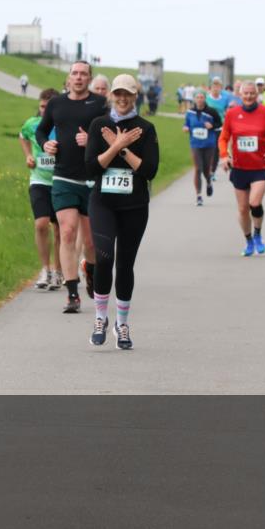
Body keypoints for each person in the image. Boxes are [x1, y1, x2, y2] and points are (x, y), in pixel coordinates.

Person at [84, 74, 159, 350]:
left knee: (125, 264)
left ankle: (122, 323)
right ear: (111, 96)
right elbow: (91, 167)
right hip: (103, 202)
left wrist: (124, 150)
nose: (123, 98)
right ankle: (101, 317)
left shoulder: (146, 128)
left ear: (135, 96)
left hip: (135, 206)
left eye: (128, 93)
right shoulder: (99, 125)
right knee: (104, 259)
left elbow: (150, 170)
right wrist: (115, 144)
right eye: (118, 94)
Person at [36, 60, 110, 313]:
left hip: (92, 180)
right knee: (67, 232)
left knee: (90, 243)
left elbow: (113, 137)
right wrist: (46, 144)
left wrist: (93, 140)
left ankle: (90, 268)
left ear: (89, 79)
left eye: (83, 74)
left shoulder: (101, 105)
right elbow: (41, 131)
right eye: (74, 73)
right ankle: (71, 293)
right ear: (68, 77)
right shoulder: (57, 104)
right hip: (63, 177)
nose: (78, 78)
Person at [218, 81, 265, 257]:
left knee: (255, 202)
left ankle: (258, 234)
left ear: (257, 94)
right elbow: (223, 137)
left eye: (252, 93)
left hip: (260, 165)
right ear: (240, 94)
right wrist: (224, 155)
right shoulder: (232, 114)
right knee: (243, 209)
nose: (249, 96)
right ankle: (249, 241)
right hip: (239, 166)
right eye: (245, 93)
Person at [20, 88, 63, 290]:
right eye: (42, 106)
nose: (45, 110)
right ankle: (45, 269)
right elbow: (22, 135)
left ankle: (59, 270)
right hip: (39, 180)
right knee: (41, 224)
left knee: (60, 229)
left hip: (61, 181)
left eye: (49, 107)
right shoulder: (32, 124)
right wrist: (28, 155)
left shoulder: (63, 124)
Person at [184, 90, 218, 205]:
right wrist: (185, 128)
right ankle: (198, 196)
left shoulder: (211, 112)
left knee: (206, 169)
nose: (199, 99)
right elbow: (187, 123)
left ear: (205, 98)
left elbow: (220, 124)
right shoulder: (190, 112)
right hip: (195, 144)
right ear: (194, 99)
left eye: (201, 97)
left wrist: (212, 126)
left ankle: (208, 182)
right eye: (197, 97)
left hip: (209, 144)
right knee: (198, 168)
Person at [205, 78, 231, 181]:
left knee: (216, 150)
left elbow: (227, 112)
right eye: (214, 87)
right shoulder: (207, 99)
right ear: (210, 88)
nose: (215, 89)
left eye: (218, 87)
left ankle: (212, 172)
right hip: (207, 128)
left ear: (221, 88)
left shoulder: (224, 99)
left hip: (219, 127)